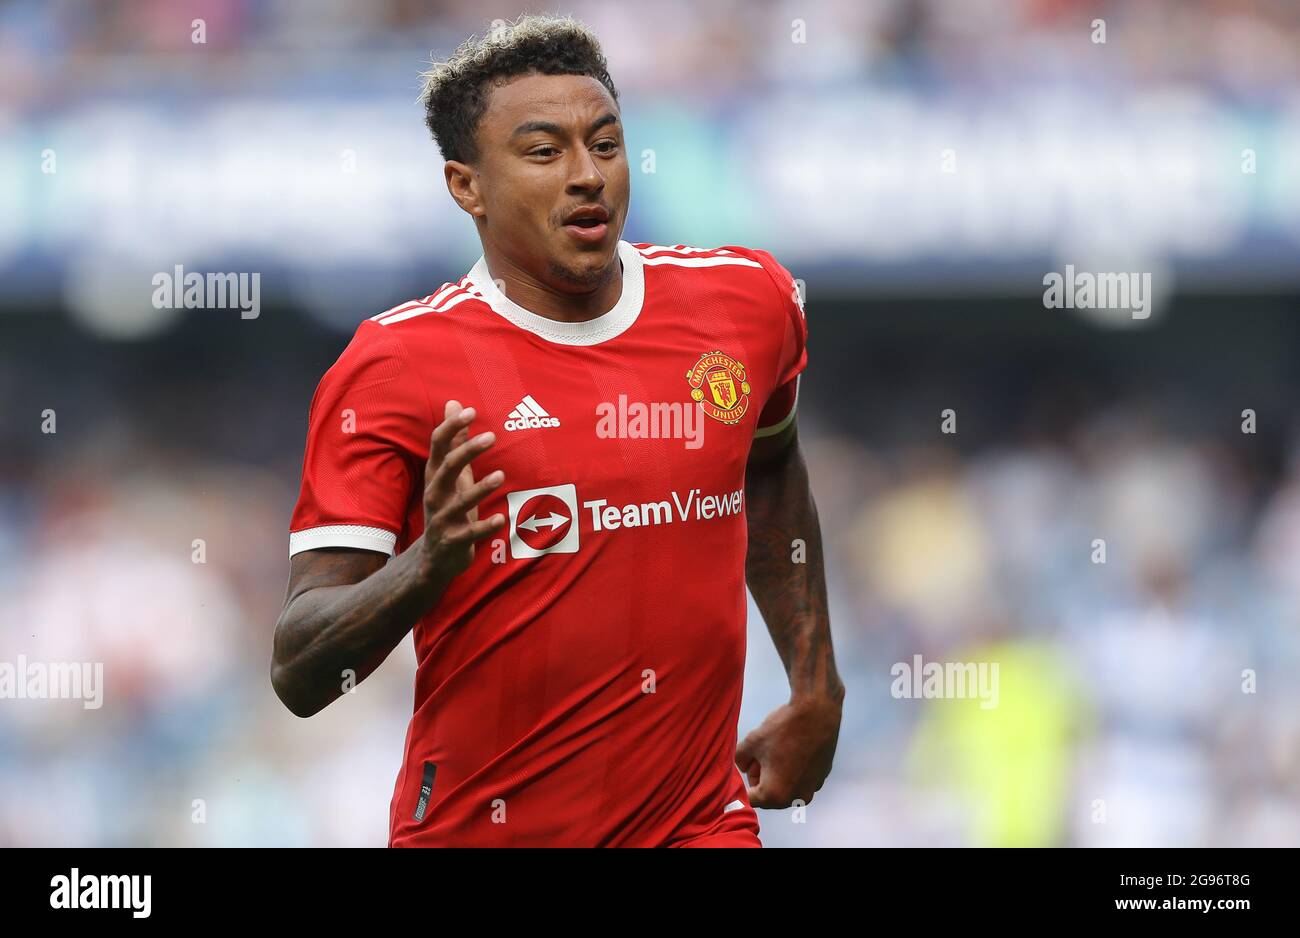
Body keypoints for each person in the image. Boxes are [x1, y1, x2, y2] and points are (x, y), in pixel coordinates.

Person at [271, 13, 844, 847]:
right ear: (466, 186)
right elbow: (299, 668)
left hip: (696, 822)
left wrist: (815, 685)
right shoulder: (396, 366)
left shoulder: (743, 304)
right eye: (544, 153)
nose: (587, 176)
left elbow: (770, 470)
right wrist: (423, 572)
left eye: (605, 145)